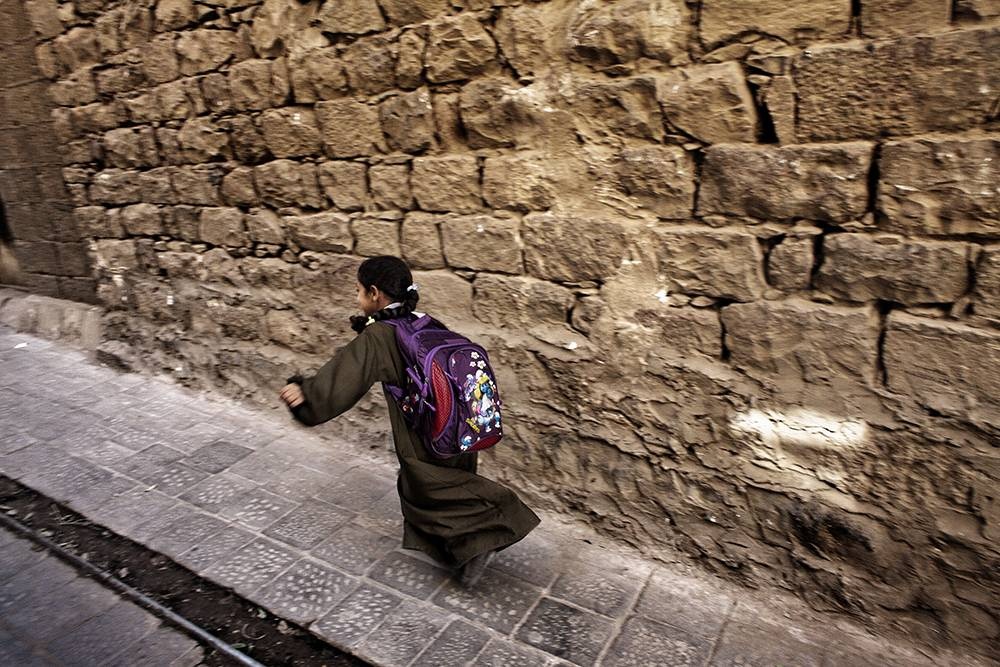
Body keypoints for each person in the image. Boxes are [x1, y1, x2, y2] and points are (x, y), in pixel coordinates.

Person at [279, 255, 539, 586]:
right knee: (444, 482)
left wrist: (305, 397)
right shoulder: (426, 322)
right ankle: (469, 550)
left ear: (375, 294)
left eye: (358, 291)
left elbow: (343, 380)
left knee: (425, 487)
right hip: (459, 425)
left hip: (424, 430)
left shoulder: (380, 335)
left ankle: (497, 525)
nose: (356, 299)